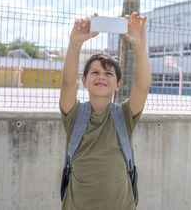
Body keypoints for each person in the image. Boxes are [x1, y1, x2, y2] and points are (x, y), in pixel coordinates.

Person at [59, 12, 150, 210]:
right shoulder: (74, 115)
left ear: (118, 84)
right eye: (95, 72)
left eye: (108, 73)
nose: (102, 77)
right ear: (84, 81)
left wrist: (139, 46)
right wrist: (75, 43)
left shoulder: (124, 115)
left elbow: (142, 86)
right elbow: (67, 82)